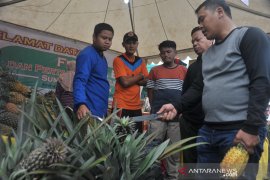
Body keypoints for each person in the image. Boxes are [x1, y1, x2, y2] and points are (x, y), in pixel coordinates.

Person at [157, 0, 270, 179]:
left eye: (202, 19)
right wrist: (177, 106)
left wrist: (252, 128)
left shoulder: (249, 36)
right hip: (208, 132)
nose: (200, 26)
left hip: (239, 132)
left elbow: (262, 82)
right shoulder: (207, 55)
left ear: (219, 12)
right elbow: (198, 87)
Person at [146, 40, 187, 180]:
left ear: (175, 53)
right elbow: (150, 91)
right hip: (157, 117)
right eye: (162, 53)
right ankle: (153, 176)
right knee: (153, 149)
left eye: (168, 52)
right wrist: (154, 109)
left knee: (173, 151)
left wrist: (182, 112)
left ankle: (172, 177)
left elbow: (186, 93)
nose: (165, 55)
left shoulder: (183, 70)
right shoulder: (154, 71)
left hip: (176, 118)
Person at [180, 26, 212, 166]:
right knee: (190, 161)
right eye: (192, 41)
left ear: (209, 38)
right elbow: (187, 92)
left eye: (198, 39)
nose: (194, 44)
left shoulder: (219, 62)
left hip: (210, 123)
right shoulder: (192, 67)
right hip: (189, 123)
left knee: (208, 164)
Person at [73, 23, 114, 120]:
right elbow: (79, 81)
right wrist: (81, 104)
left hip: (99, 110)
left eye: (110, 39)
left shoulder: (102, 58)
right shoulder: (87, 54)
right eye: (104, 38)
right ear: (94, 37)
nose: (107, 41)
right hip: (87, 110)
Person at [112, 31, 148, 133]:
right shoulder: (118, 60)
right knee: (118, 138)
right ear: (123, 45)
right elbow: (125, 83)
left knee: (136, 137)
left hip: (136, 106)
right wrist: (140, 76)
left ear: (137, 44)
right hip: (120, 105)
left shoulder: (140, 61)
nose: (131, 45)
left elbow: (146, 81)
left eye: (134, 43)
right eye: (128, 43)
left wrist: (131, 79)